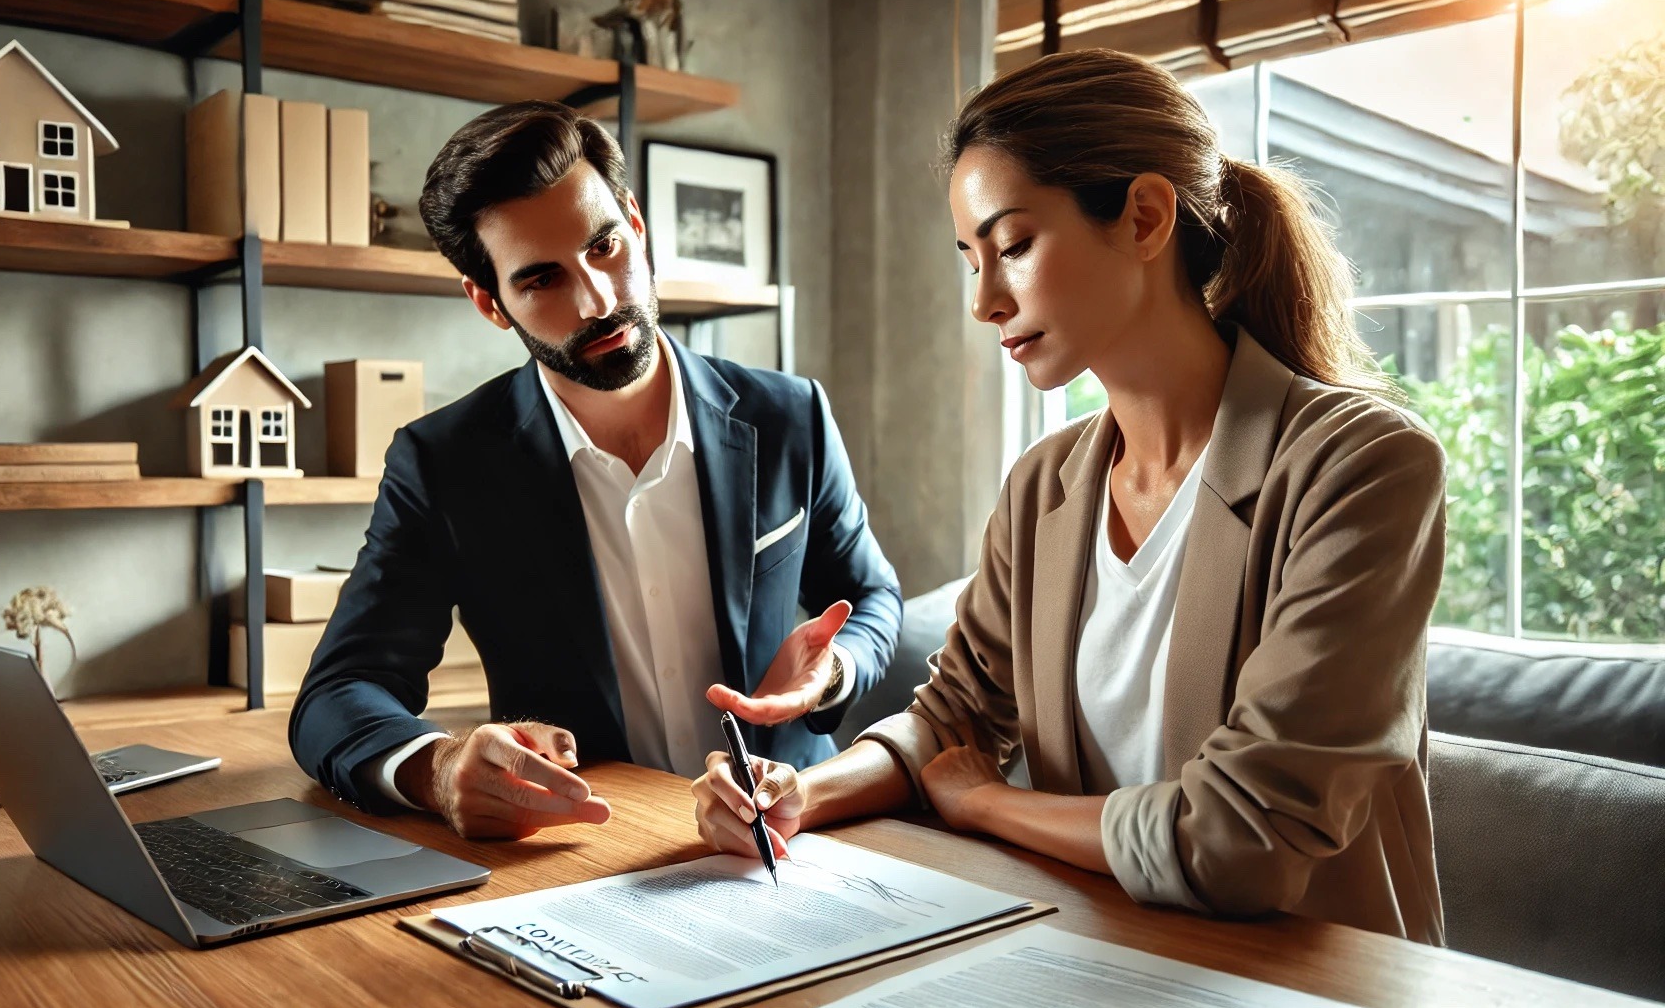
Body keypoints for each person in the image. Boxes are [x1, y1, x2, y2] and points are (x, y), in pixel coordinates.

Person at [690, 49, 1447, 945]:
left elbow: (1242, 838)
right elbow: (955, 715)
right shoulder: (1046, 485)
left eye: (1013, 246)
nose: (984, 302)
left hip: (1300, 981)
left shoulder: (1361, 466)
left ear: (1145, 216)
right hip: (1091, 958)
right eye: (972, 259)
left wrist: (987, 807)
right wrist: (793, 795)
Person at [290, 101, 902, 841]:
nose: (600, 300)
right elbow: (336, 693)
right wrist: (439, 767)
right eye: (542, 280)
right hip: (592, 852)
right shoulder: (446, 463)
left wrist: (830, 670)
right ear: (490, 302)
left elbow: (868, 594)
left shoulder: (790, 414)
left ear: (636, 224)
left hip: (795, 826)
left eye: (605, 246)